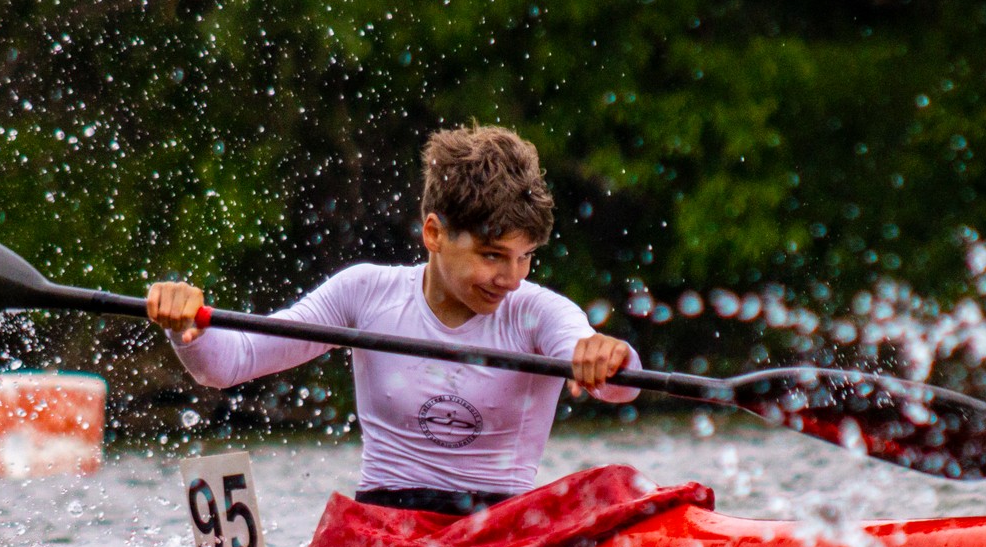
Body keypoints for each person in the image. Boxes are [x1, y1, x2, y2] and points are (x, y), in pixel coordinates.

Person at [145, 126, 638, 515]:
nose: (510, 278)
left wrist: (607, 358)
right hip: (383, 527)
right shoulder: (364, 293)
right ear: (433, 233)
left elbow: (621, 386)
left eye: (524, 257)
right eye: (492, 255)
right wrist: (183, 324)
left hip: (497, 531)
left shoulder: (539, 312)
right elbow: (228, 365)